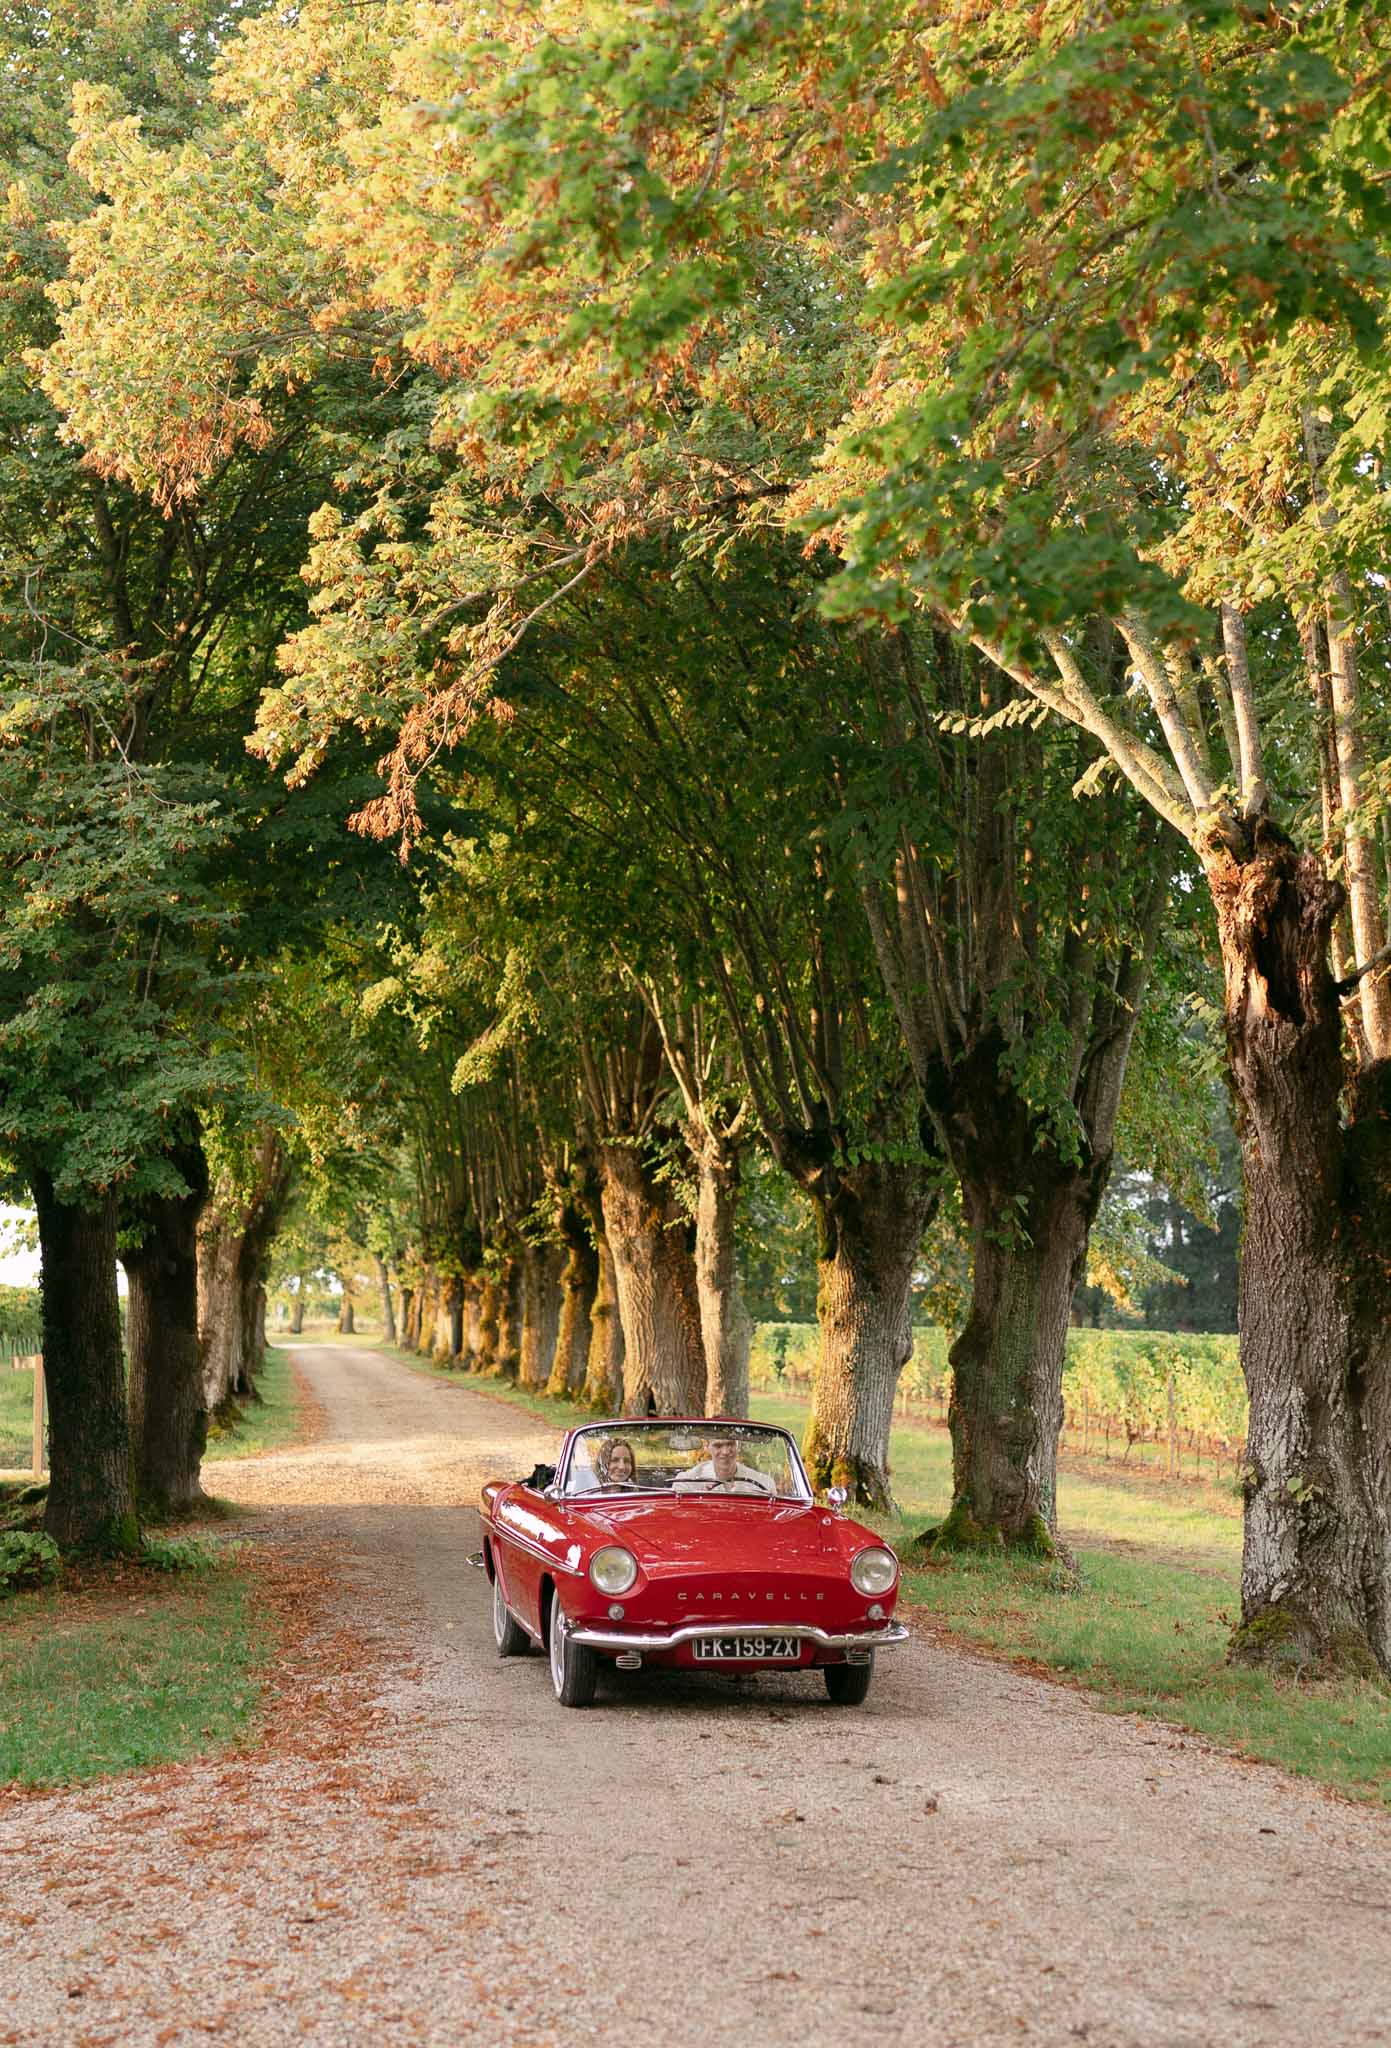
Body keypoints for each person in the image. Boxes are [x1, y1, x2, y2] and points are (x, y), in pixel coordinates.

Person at [673, 1432, 775, 1495]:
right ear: (707, 1447)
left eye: (730, 1444)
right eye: (718, 1446)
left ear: (738, 1445)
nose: (725, 1452)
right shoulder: (687, 1481)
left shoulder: (762, 1483)